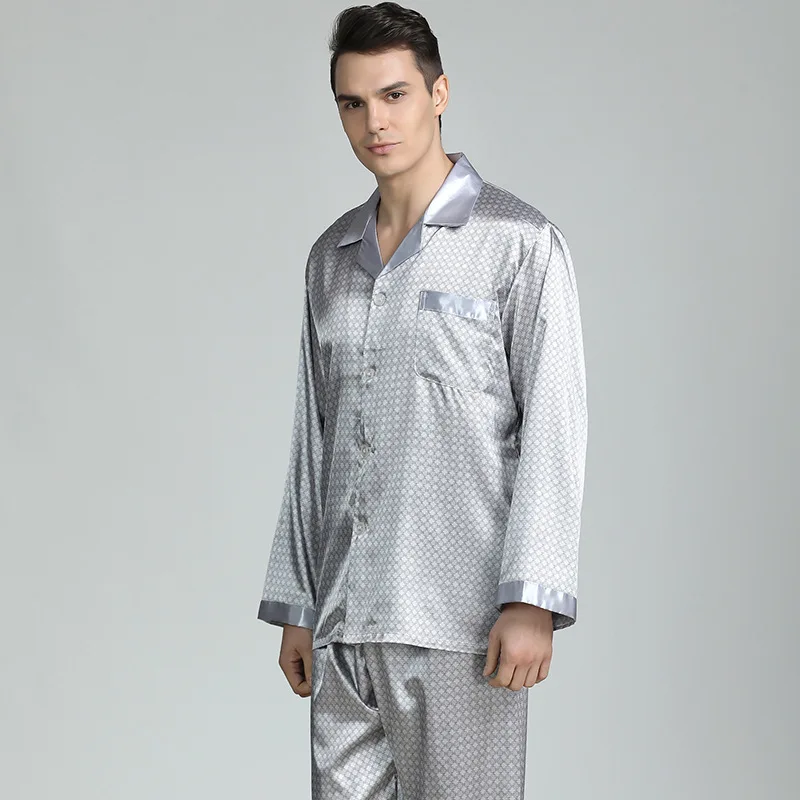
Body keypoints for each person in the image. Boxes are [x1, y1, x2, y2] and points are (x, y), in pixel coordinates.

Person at [256, 3, 588, 798]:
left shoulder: (518, 243)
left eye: (394, 95)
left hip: (460, 625)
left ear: (439, 94)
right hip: (344, 624)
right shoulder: (330, 260)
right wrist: (299, 602)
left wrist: (531, 600)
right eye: (353, 102)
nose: (375, 121)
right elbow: (314, 439)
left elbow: (555, 425)